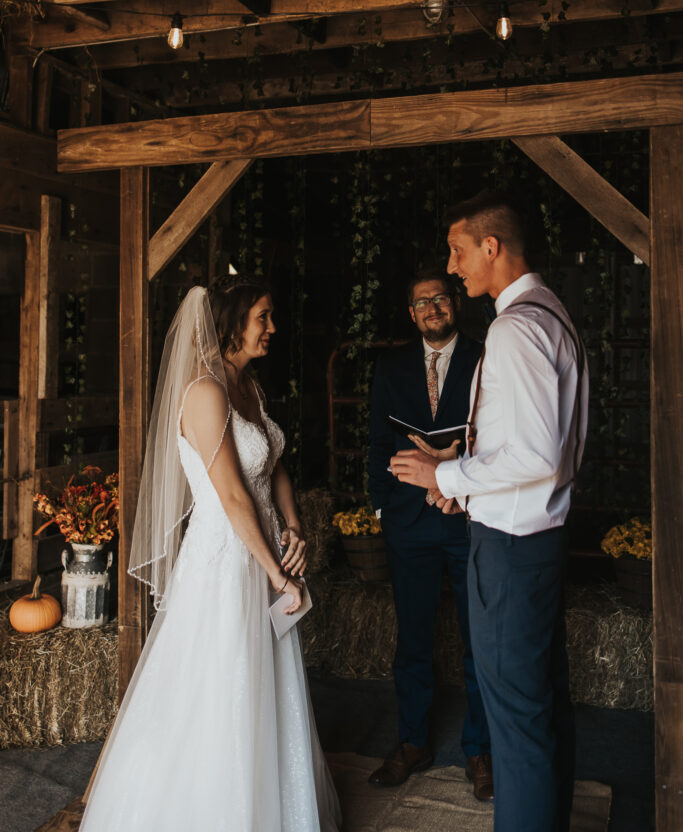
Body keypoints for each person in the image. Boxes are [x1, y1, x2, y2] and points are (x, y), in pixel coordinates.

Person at [81, 277, 341, 832]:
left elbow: (273, 465)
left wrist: (293, 527)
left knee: (268, 684)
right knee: (221, 685)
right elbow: (229, 494)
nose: (272, 328)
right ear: (231, 322)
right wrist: (277, 574)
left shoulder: (249, 387)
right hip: (226, 560)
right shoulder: (204, 392)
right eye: (263, 318)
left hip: (264, 546)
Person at [390, 192, 588, 832]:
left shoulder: (515, 328)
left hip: (510, 550)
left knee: (516, 723)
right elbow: (532, 446)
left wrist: (445, 472)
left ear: (491, 247)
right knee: (541, 707)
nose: (452, 267)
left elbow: (537, 455)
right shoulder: (551, 313)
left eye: (457, 250)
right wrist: (466, 474)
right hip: (537, 540)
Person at [367, 270, 492, 799]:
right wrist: (381, 510)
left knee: (478, 641)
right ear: (411, 314)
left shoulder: (488, 357)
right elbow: (377, 439)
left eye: (440, 298)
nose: (432, 308)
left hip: (469, 518)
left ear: (455, 303)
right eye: (422, 303)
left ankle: (480, 750)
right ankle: (413, 742)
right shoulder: (391, 366)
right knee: (412, 641)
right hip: (409, 525)